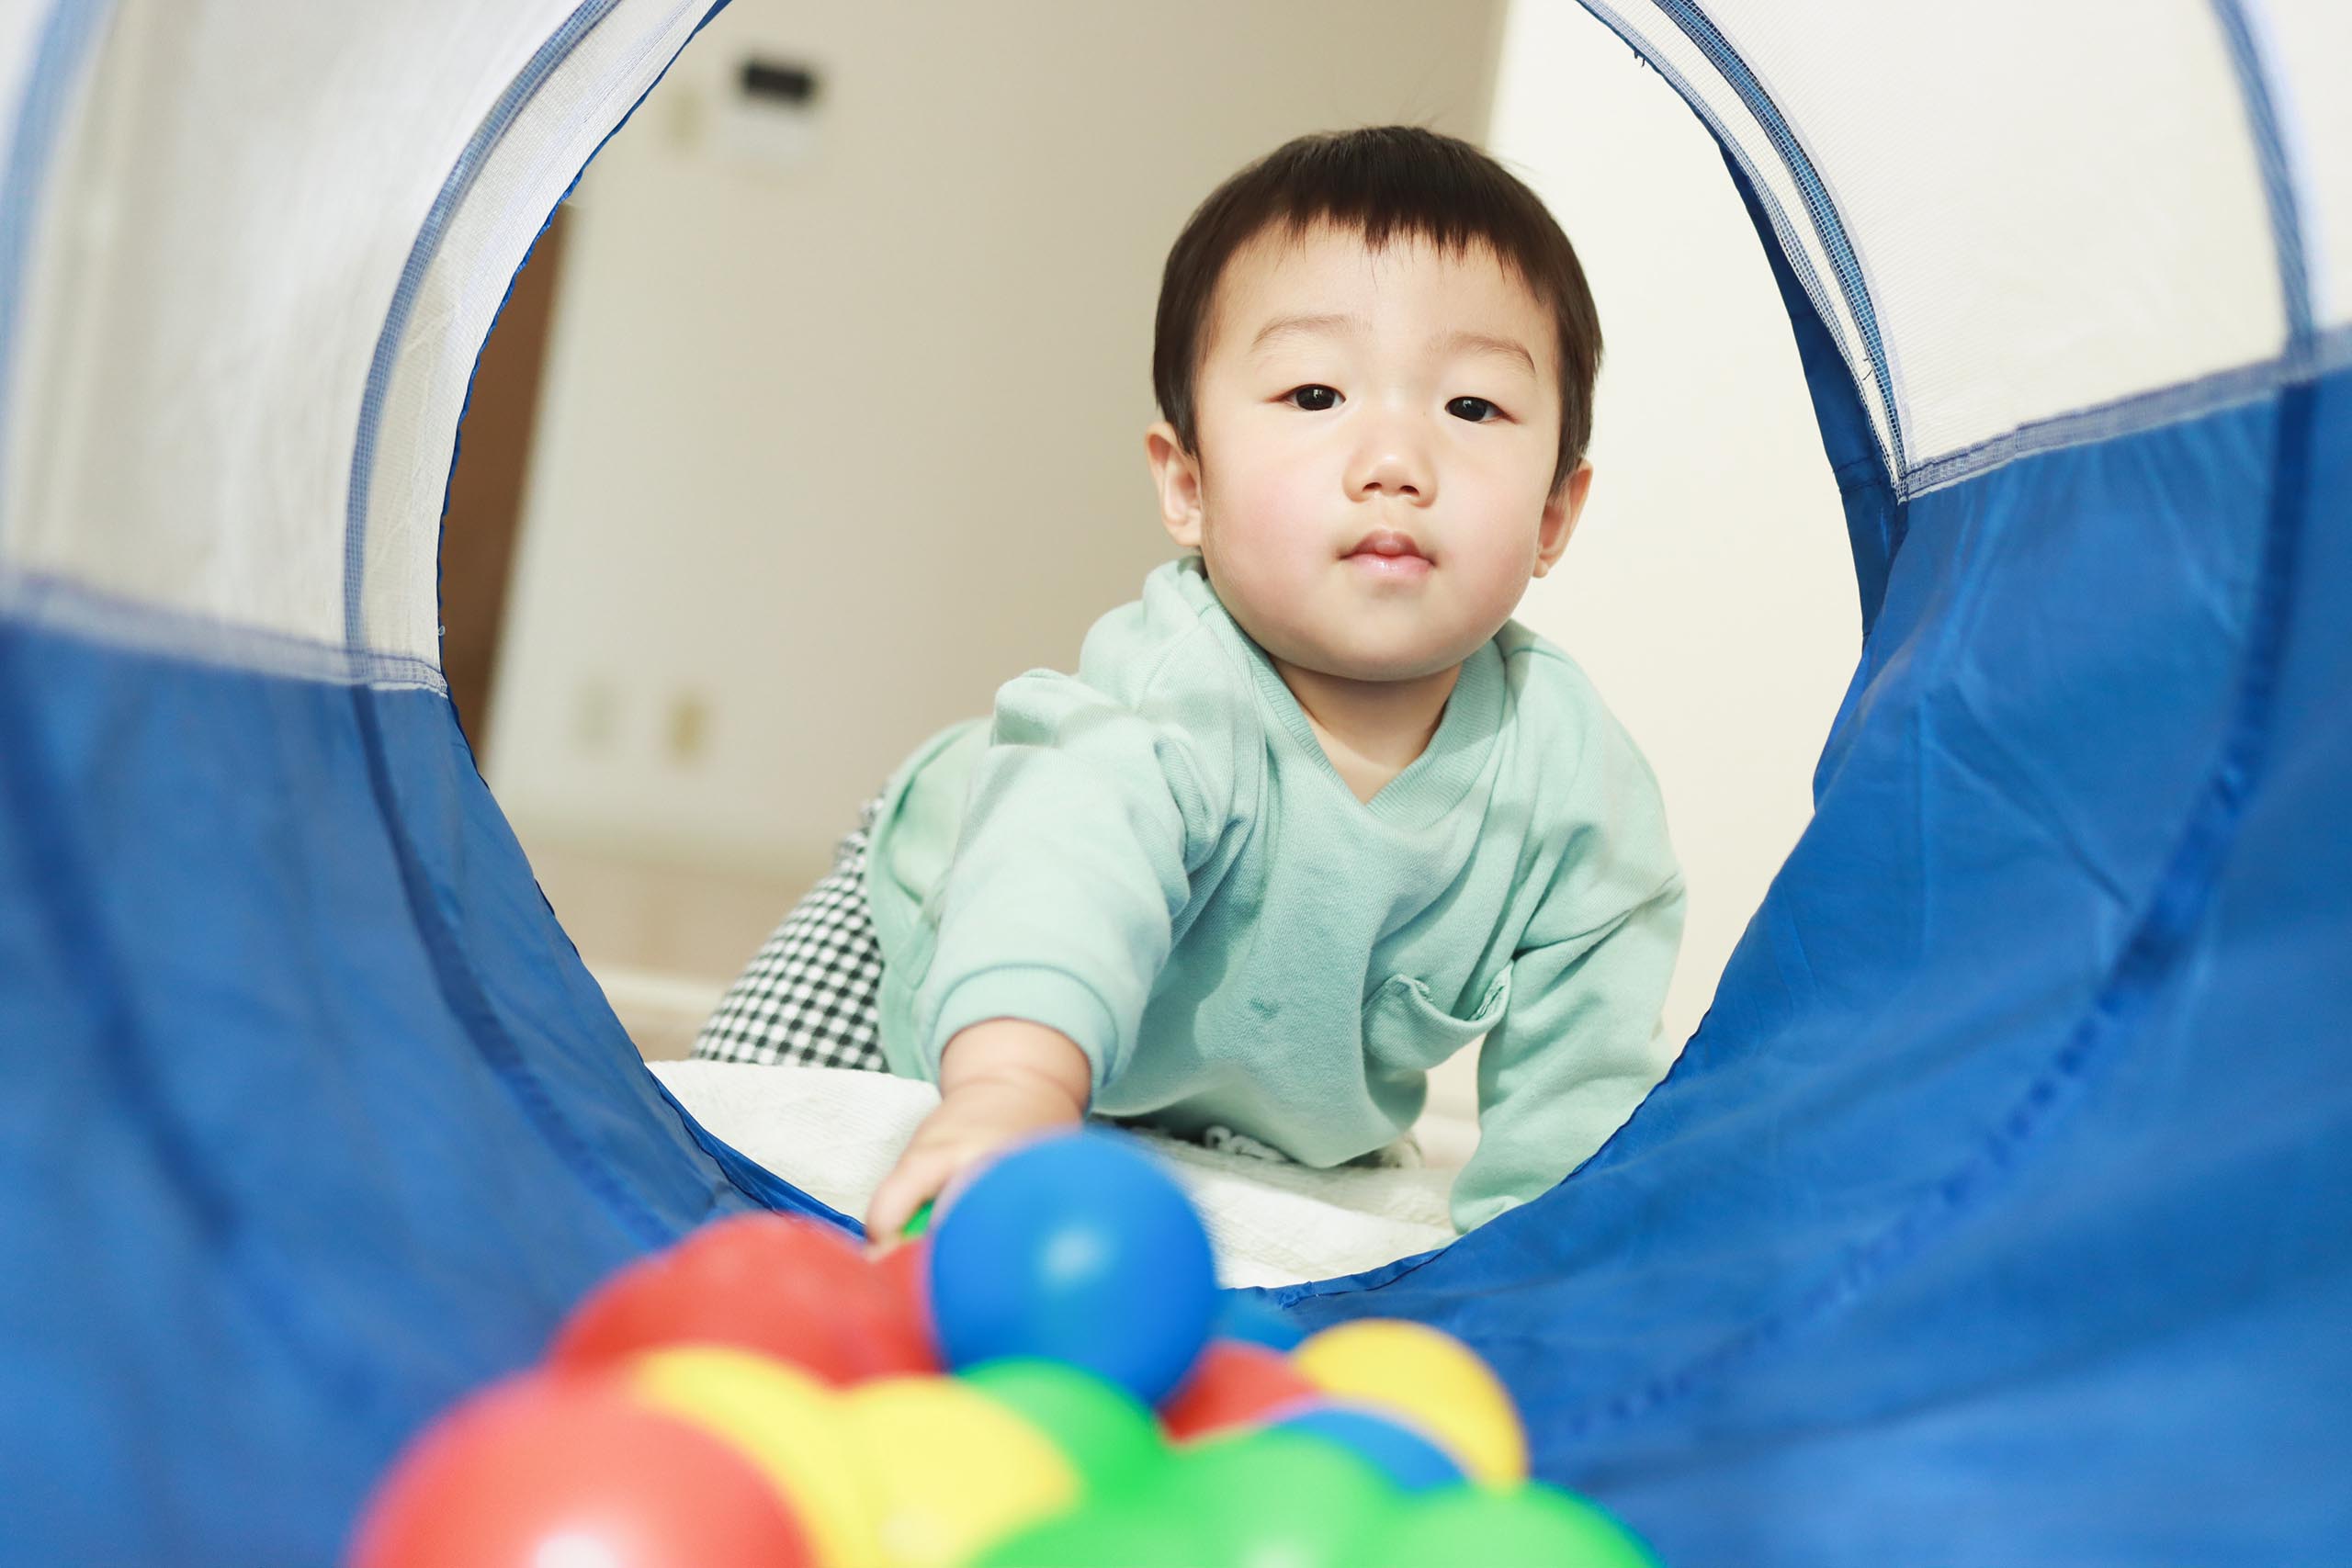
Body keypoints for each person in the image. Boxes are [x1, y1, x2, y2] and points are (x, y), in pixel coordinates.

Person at [694, 124, 1685, 1243]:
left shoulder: (1575, 786)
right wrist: (1010, 1089)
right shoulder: (1175, 688)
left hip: (1245, 1106)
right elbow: (1067, 867)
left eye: (1470, 408)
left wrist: (1560, 1262)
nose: (1395, 462)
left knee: (1286, 1262)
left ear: (1554, 513)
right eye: (1315, 394)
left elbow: (1584, 1083)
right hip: (932, 955)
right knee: (736, 1170)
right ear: (1187, 485)